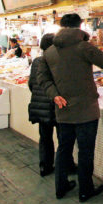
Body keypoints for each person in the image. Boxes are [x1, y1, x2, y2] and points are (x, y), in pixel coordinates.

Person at [37, 13, 103, 201]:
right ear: (80, 26)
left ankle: (61, 188)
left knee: (64, 149)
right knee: (85, 151)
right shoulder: (83, 47)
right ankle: (85, 190)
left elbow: (42, 78)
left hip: (63, 109)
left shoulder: (49, 51)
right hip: (86, 110)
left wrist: (54, 95)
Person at [28, 33, 77, 177]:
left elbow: (31, 83)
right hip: (56, 106)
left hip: (40, 107)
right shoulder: (59, 61)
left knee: (45, 137)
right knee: (64, 139)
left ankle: (45, 166)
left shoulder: (36, 62)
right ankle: (67, 166)